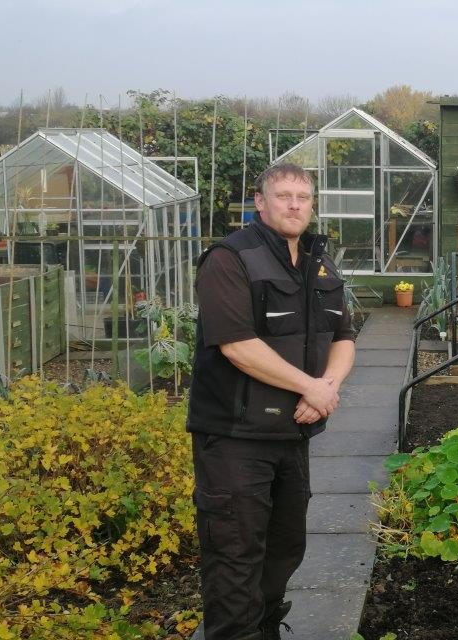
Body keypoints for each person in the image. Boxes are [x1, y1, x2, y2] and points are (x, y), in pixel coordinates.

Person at [187, 163, 356, 640]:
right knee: (235, 556)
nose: (294, 204)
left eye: (303, 196)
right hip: (234, 437)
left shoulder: (319, 263)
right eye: (283, 195)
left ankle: (264, 631)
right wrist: (309, 385)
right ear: (260, 202)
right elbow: (237, 344)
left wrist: (326, 388)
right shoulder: (230, 259)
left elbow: (343, 337)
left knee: (284, 548)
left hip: (291, 435)